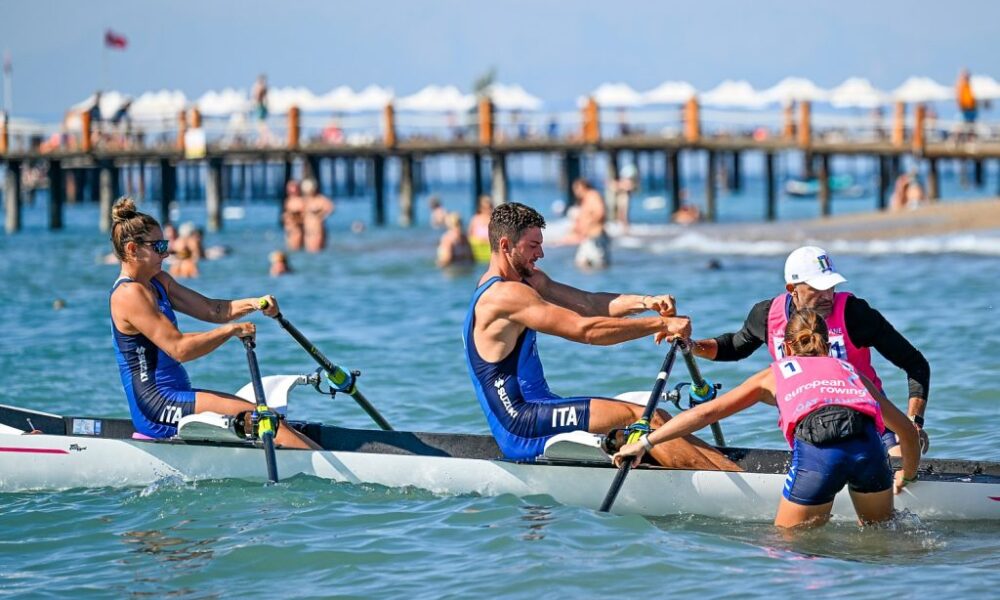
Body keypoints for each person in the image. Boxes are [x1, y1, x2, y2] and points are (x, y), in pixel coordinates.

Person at [463, 201, 737, 470]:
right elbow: (587, 330)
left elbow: (589, 303)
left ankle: (730, 474)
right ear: (505, 246)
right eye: (533, 246)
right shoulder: (503, 296)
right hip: (521, 423)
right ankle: (729, 488)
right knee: (642, 419)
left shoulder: (527, 281)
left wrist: (645, 302)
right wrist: (661, 326)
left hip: (544, 406)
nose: (541, 254)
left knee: (660, 418)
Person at [615, 309, 919, 529]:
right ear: (828, 345)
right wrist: (907, 474)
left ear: (785, 348)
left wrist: (646, 441)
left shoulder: (774, 374)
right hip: (869, 450)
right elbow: (906, 430)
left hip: (820, 456)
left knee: (788, 548)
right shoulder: (853, 372)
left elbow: (707, 412)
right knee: (882, 539)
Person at [108, 197, 317, 449]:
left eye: (165, 244)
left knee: (269, 417)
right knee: (265, 419)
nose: (165, 252)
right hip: (156, 405)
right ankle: (331, 473)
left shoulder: (158, 281)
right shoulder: (128, 295)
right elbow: (179, 349)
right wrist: (230, 332)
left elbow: (213, 309)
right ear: (132, 249)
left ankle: (319, 457)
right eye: (158, 246)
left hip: (176, 396)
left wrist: (255, 303)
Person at [691, 246, 930, 457]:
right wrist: (691, 346)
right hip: (810, 429)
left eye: (831, 286)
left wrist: (913, 423)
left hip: (871, 422)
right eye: (817, 288)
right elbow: (733, 346)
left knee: (900, 464)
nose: (828, 296)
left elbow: (915, 363)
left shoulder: (854, 314)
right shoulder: (766, 315)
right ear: (792, 288)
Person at [565, 178, 610, 270]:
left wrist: (588, 224)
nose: (575, 193)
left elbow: (600, 213)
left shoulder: (593, 196)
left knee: (599, 264)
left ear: (583, 187)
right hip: (588, 238)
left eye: (576, 189)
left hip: (596, 237)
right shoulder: (585, 199)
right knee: (582, 263)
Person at [301, 178, 335, 253]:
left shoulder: (321, 199)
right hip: (308, 231)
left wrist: (320, 213)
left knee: (317, 250)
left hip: (317, 230)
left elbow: (331, 209)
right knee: (309, 252)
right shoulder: (305, 200)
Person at [611, 163, 638, 229]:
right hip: (621, 197)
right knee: (620, 212)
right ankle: (621, 225)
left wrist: (620, 186)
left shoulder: (628, 181)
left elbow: (629, 187)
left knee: (624, 212)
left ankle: (625, 226)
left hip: (625, 198)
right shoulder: (623, 181)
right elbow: (615, 187)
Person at [468, 195, 493, 263]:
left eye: (490, 207)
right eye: (485, 208)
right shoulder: (475, 219)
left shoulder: (493, 220)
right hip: (477, 251)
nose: (488, 210)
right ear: (481, 208)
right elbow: (469, 236)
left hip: (489, 252)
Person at [282, 180, 305, 251]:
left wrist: (293, 217)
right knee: (290, 250)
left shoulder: (300, 201)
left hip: (296, 231)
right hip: (289, 230)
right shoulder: (288, 200)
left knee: (295, 249)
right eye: (289, 187)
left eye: (292, 187)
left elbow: (303, 217)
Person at [956, 68, 977, 141]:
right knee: (963, 126)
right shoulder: (961, 86)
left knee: (970, 126)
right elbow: (959, 98)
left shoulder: (969, 86)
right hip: (964, 110)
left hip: (971, 109)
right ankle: (960, 139)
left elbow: (972, 97)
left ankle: (970, 139)